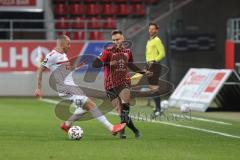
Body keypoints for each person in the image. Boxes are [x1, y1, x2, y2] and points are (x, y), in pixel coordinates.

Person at [34, 35, 126, 136]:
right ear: (62, 43)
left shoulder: (63, 55)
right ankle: (111, 128)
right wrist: (38, 88)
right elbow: (40, 69)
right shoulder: (52, 55)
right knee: (91, 105)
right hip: (66, 87)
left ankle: (67, 124)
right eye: (68, 44)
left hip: (70, 86)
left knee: (84, 107)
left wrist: (78, 66)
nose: (70, 46)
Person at [93, 30, 151, 139]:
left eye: (118, 39)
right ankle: (133, 130)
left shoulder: (128, 51)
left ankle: (125, 130)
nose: (116, 42)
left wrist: (143, 72)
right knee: (121, 113)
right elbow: (95, 64)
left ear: (123, 38)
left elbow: (131, 65)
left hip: (123, 82)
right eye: (114, 40)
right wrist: (108, 63)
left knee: (125, 104)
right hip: (110, 85)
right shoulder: (107, 51)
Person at [145, 22, 166, 118]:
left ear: (156, 30)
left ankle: (159, 109)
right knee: (151, 88)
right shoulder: (149, 41)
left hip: (155, 65)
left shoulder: (157, 40)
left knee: (154, 87)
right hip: (149, 65)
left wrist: (154, 61)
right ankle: (157, 108)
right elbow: (148, 55)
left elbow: (162, 54)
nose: (151, 30)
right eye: (150, 29)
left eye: (153, 29)